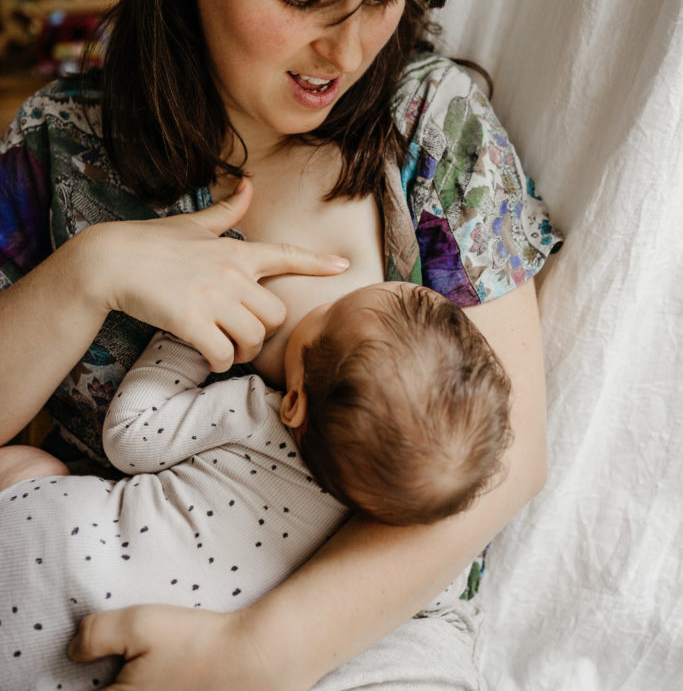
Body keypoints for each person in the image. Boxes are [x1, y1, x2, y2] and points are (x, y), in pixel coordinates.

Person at [0, 0, 561, 691]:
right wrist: (92, 273)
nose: (345, 53)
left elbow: (506, 459)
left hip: (367, 625)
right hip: (105, 586)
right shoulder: (63, 142)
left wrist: (257, 655)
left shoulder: (429, 124)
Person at [0, 280, 512, 690]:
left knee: (29, 467)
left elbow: (129, 438)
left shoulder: (255, 414)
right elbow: (434, 591)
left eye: (329, 310)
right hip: (137, 655)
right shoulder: (380, 530)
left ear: (295, 405)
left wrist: (190, 337)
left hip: (54, 542)